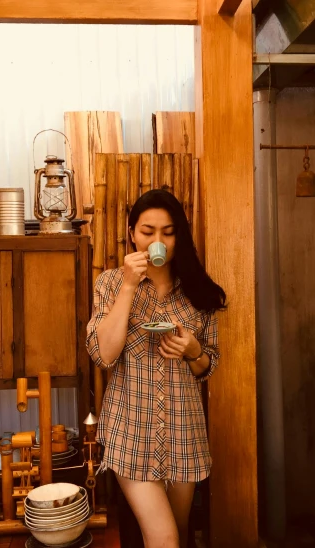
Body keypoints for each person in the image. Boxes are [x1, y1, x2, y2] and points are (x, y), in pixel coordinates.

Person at [86, 189, 226, 548]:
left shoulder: (197, 291)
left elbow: (206, 366)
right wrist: (130, 285)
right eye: (148, 232)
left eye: (168, 232)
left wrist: (193, 350)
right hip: (130, 432)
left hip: (184, 432)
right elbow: (103, 354)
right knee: (164, 539)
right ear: (132, 233)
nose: (157, 242)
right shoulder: (111, 284)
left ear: (180, 235)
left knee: (176, 535)